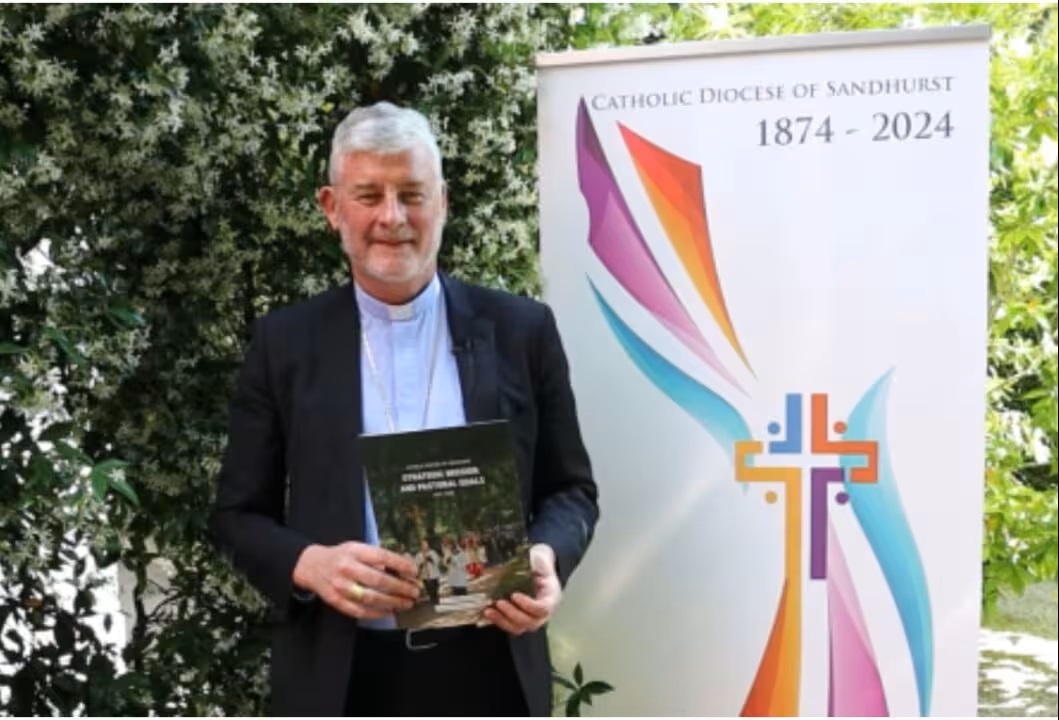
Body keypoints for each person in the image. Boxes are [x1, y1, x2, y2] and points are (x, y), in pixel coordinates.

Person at [208, 101, 599, 716]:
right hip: (344, 678)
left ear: (442, 202)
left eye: (412, 195)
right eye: (368, 195)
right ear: (332, 208)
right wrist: (310, 564)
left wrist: (546, 557)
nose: (392, 217)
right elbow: (236, 515)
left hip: (490, 669)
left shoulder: (521, 330)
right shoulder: (285, 344)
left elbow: (571, 492)